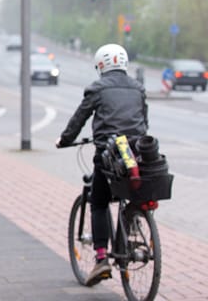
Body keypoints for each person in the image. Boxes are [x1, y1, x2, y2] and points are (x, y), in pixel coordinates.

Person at [56, 43, 149, 286]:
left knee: (98, 201)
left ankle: (101, 259)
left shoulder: (97, 88)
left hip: (109, 155)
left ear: (100, 66)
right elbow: (143, 122)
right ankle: (133, 224)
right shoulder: (138, 88)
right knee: (129, 192)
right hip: (135, 153)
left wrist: (65, 140)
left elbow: (80, 117)